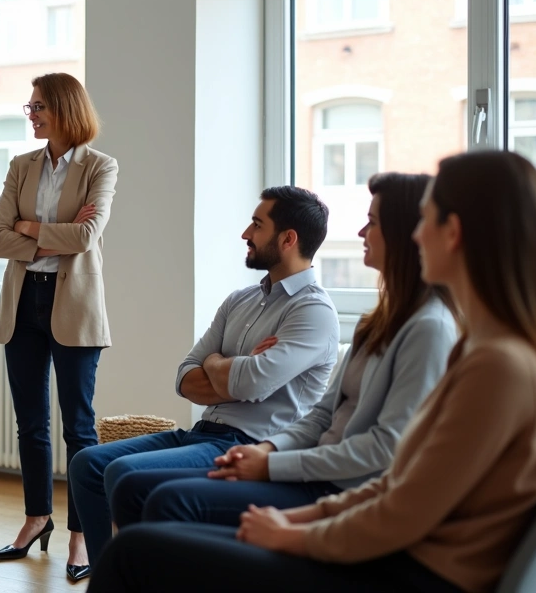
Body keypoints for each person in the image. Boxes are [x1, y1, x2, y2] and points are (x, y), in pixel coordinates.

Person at [88, 151, 536, 593]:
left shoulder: (494, 362)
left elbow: (399, 501)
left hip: (400, 572)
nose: (416, 233)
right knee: (146, 533)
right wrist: (301, 518)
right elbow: (399, 485)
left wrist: (297, 532)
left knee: (136, 550)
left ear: (452, 233)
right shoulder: (485, 350)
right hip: (385, 553)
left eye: (426, 220)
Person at [107, 173, 456, 529]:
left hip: (333, 486)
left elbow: (385, 448)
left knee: (160, 496)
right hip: (286, 459)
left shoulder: (426, 328)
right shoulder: (377, 322)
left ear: (408, 233)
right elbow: (320, 415)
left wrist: (270, 461)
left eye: (372, 222)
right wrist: (267, 450)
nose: (360, 234)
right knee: (128, 484)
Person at [69, 186, 340, 565]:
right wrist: (237, 371)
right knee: (87, 464)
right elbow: (184, 378)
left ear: (288, 239)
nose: (246, 233)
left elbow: (248, 381)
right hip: (202, 433)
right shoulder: (240, 300)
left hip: (250, 445)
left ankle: (135, 579)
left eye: (257, 225)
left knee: (122, 472)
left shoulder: (314, 311)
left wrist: (216, 364)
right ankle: (108, 578)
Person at [0, 72, 117, 581]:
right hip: (23, 303)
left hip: (74, 305)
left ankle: (80, 535)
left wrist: (29, 228)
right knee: (30, 423)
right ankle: (36, 517)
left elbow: (86, 236)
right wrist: (42, 238)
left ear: (64, 108)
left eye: (39, 105)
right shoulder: (21, 166)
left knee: (79, 428)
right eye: (31, 106)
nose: (32, 113)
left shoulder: (100, 166)